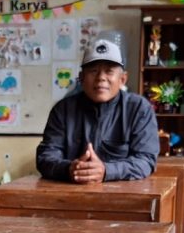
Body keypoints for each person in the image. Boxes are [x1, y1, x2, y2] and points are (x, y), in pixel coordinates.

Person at [36, 37, 159, 183]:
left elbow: (146, 160)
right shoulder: (63, 110)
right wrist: (69, 168)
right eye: (93, 71)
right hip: (70, 194)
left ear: (123, 79)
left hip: (123, 197)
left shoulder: (139, 109)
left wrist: (106, 171)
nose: (101, 78)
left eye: (109, 71)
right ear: (81, 78)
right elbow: (45, 157)